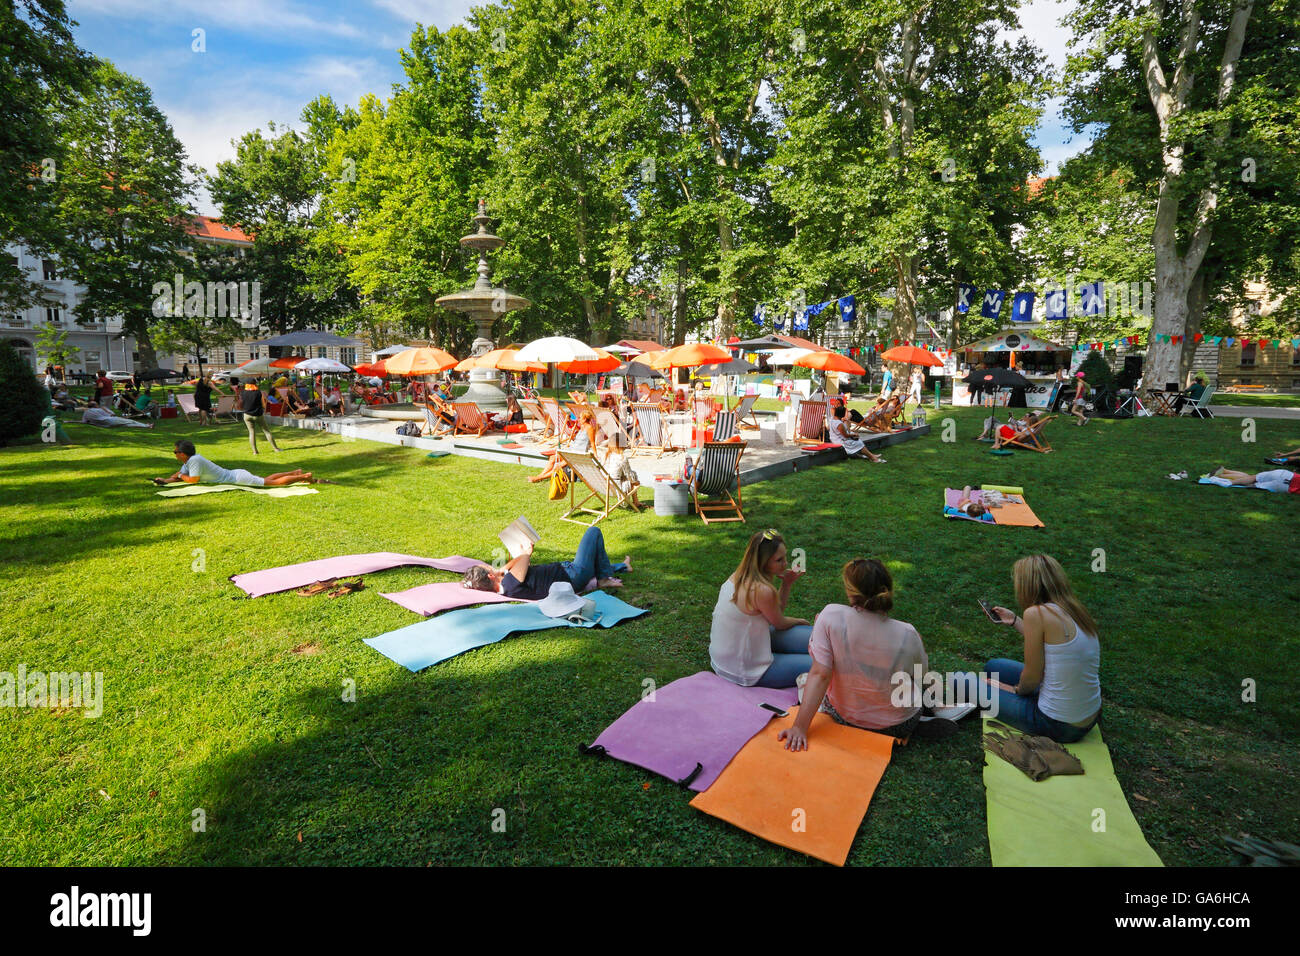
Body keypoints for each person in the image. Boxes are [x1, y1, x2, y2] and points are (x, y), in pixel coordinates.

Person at [779, 558, 945, 750]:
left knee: (806, 680)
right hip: (898, 725)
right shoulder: (909, 634)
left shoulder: (830, 616)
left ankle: (937, 709)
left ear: (851, 592)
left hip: (844, 717)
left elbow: (821, 674)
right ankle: (938, 709)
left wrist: (799, 728)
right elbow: (921, 677)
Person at [974, 555, 1101, 743]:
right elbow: (1053, 643)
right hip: (1088, 715)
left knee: (964, 683)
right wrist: (1015, 620)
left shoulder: (1036, 613)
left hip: (1057, 724)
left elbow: (1031, 678)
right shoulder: (1073, 608)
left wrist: (1011, 689)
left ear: (1028, 586)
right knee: (994, 666)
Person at [709, 530, 812, 689]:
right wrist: (799, 621)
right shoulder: (762, 590)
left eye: (785, 557)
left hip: (728, 657)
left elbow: (774, 612)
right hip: (745, 669)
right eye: (779, 560)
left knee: (817, 640)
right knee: (821, 662)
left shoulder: (738, 576)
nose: (785, 564)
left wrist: (786, 584)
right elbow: (780, 623)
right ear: (763, 562)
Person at [461, 525, 631, 598]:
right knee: (593, 532)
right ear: (490, 576)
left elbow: (520, 564)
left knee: (592, 559)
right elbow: (524, 557)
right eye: (488, 568)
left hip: (570, 574)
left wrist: (501, 570)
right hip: (574, 574)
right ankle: (605, 578)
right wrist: (525, 553)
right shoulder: (511, 582)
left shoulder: (507, 585)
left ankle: (622, 566)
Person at [154, 440, 318, 487]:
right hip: (237, 474)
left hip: (239, 478)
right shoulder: (191, 461)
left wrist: (182, 475)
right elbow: (179, 475)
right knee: (266, 478)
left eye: (175, 452)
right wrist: (165, 481)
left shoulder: (194, 461)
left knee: (271, 483)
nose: (175, 454)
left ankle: (304, 476)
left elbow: (192, 479)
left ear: (182, 454)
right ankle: (295, 472)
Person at [531, 407, 597, 483]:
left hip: (577, 454)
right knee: (553, 458)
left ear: (585, 419)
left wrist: (595, 455)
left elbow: (592, 443)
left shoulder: (590, 428)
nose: (578, 419)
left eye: (580, 418)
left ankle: (539, 478)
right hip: (571, 450)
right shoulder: (582, 427)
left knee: (559, 465)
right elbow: (577, 440)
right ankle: (539, 476)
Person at [237, 381, 282, 454]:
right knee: (266, 431)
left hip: (247, 415)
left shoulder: (242, 393)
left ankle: (255, 452)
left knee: (251, 433)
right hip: (258, 415)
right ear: (254, 384)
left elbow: (239, 404)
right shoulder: (259, 392)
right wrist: (264, 410)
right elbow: (264, 404)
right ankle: (275, 448)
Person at [601, 436, 643, 510]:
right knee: (633, 477)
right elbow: (629, 475)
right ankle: (636, 502)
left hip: (604, 485)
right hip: (616, 487)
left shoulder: (605, 456)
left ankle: (636, 502)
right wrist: (636, 482)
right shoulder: (622, 458)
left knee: (627, 476)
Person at [1207, 466, 1300, 493]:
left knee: (1251, 477)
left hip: (1285, 474)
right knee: (1250, 481)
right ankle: (1223, 478)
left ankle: (1224, 472)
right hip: (1285, 485)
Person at [81, 405, 154, 429]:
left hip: (105, 425)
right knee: (130, 421)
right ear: (95, 406)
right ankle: (147, 425)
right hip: (110, 420)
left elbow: (84, 421)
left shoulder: (86, 413)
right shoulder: (99, 409)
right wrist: (106, 410)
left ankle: (146, 426)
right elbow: (112, 415)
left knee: (128, 424)